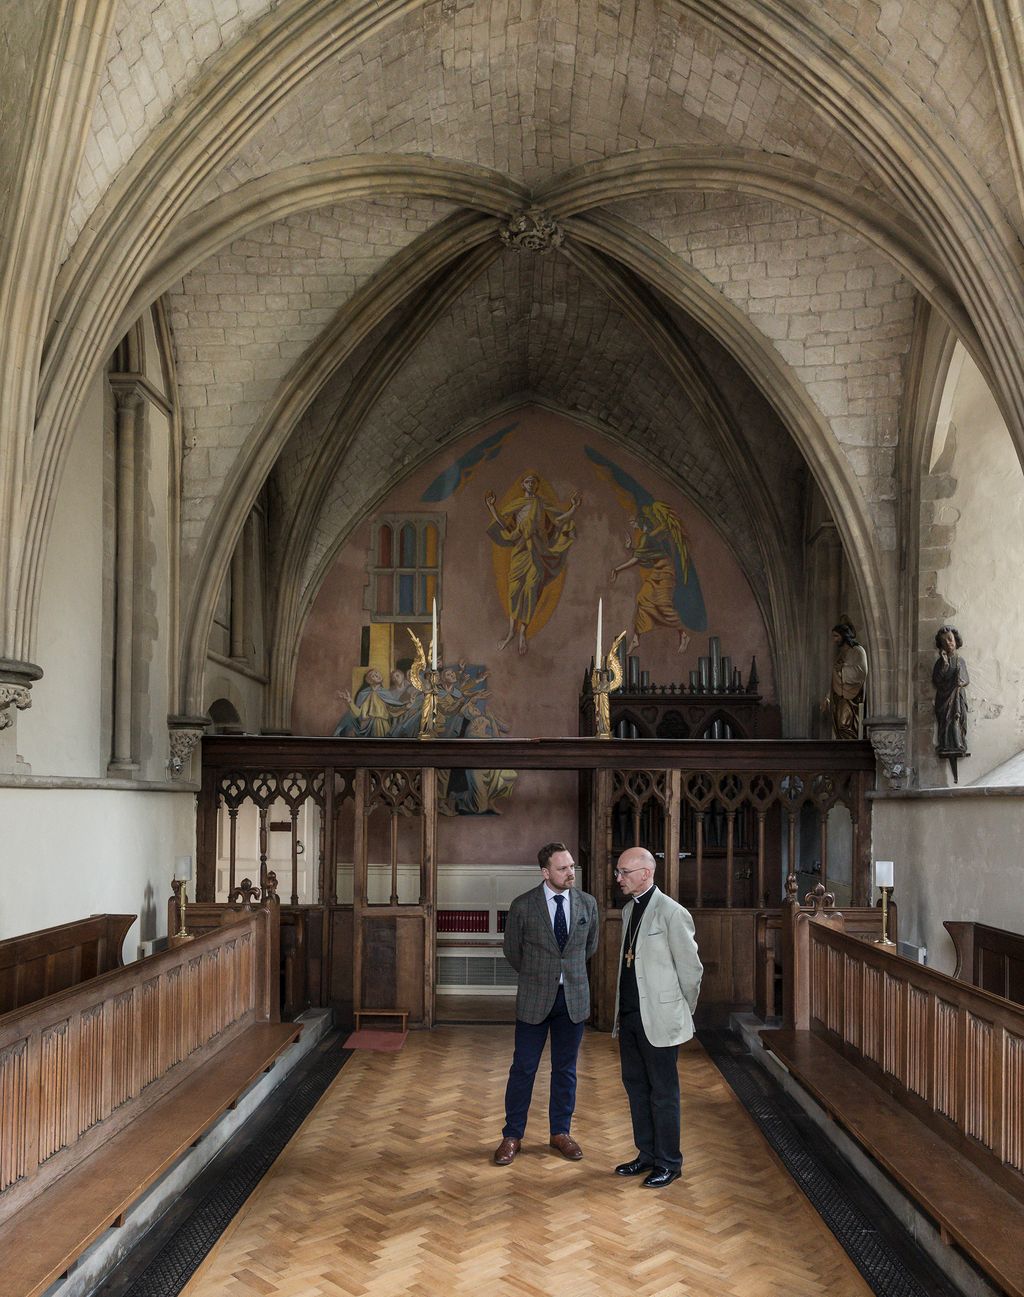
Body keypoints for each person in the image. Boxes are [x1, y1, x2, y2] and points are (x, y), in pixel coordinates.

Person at [493, 842, 599, 1165]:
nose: (571, 873)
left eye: (571, 867)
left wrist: (565, 973)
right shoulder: (523, 905)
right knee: (523, 1068)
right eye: (563, 868)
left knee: (566, 1070)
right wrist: (541, 974)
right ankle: (512, 1135)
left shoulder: (588, 904)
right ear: (545, 872)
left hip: (573, 1000)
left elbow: (588, 948)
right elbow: (513, 951)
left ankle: (560, 1133)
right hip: (534, 998)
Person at [612, 846, 702, 1188]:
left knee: (664, 1093)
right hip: (632, 1017)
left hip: (660, 1019)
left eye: (624, 872)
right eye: (618, 872)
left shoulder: (671, 912)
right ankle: (647, 1155)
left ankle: (669, 1162)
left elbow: (691, 972)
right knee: (636, 1088)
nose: (618, 878)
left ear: (646, 873)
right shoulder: (627, 911)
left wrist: (679, 1011)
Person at [485, 473, 580, 655]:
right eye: (528, 481)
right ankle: (511, 631)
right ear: (523, 485)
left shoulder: (542, 503)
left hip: (538, 550)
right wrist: (491, 507)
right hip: (520, 551)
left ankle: (522, 632)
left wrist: (574, 508)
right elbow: (503, 523)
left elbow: (559, 520)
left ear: (536, 486)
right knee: (514, 590)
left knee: (531, 589)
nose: (531, 484)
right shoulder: (519, 504)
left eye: (534, 482)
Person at [933, 625, 969, 773]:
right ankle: (946, 745)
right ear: (941, 645)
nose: (948, 643)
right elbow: (937, 680)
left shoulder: (960, 661)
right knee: (945, 720)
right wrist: (945, 665)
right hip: (944, 697)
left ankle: (959, 744)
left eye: (950, 639)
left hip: (958, 695)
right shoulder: (940, 662)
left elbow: (965, 679)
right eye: (945, 641)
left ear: (955, 640)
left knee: (957, 718)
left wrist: (960, 681)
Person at [826, 619, 868, 740]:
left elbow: (860, 672)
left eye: (836, 636)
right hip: (838, 697)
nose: (834, 640)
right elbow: (834, 678)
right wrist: (828, 696)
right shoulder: (841, 653)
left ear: (844, 636)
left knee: (845, 724)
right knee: (840, 726)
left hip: (851, 698)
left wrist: (843, 669)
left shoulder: (858, 651)